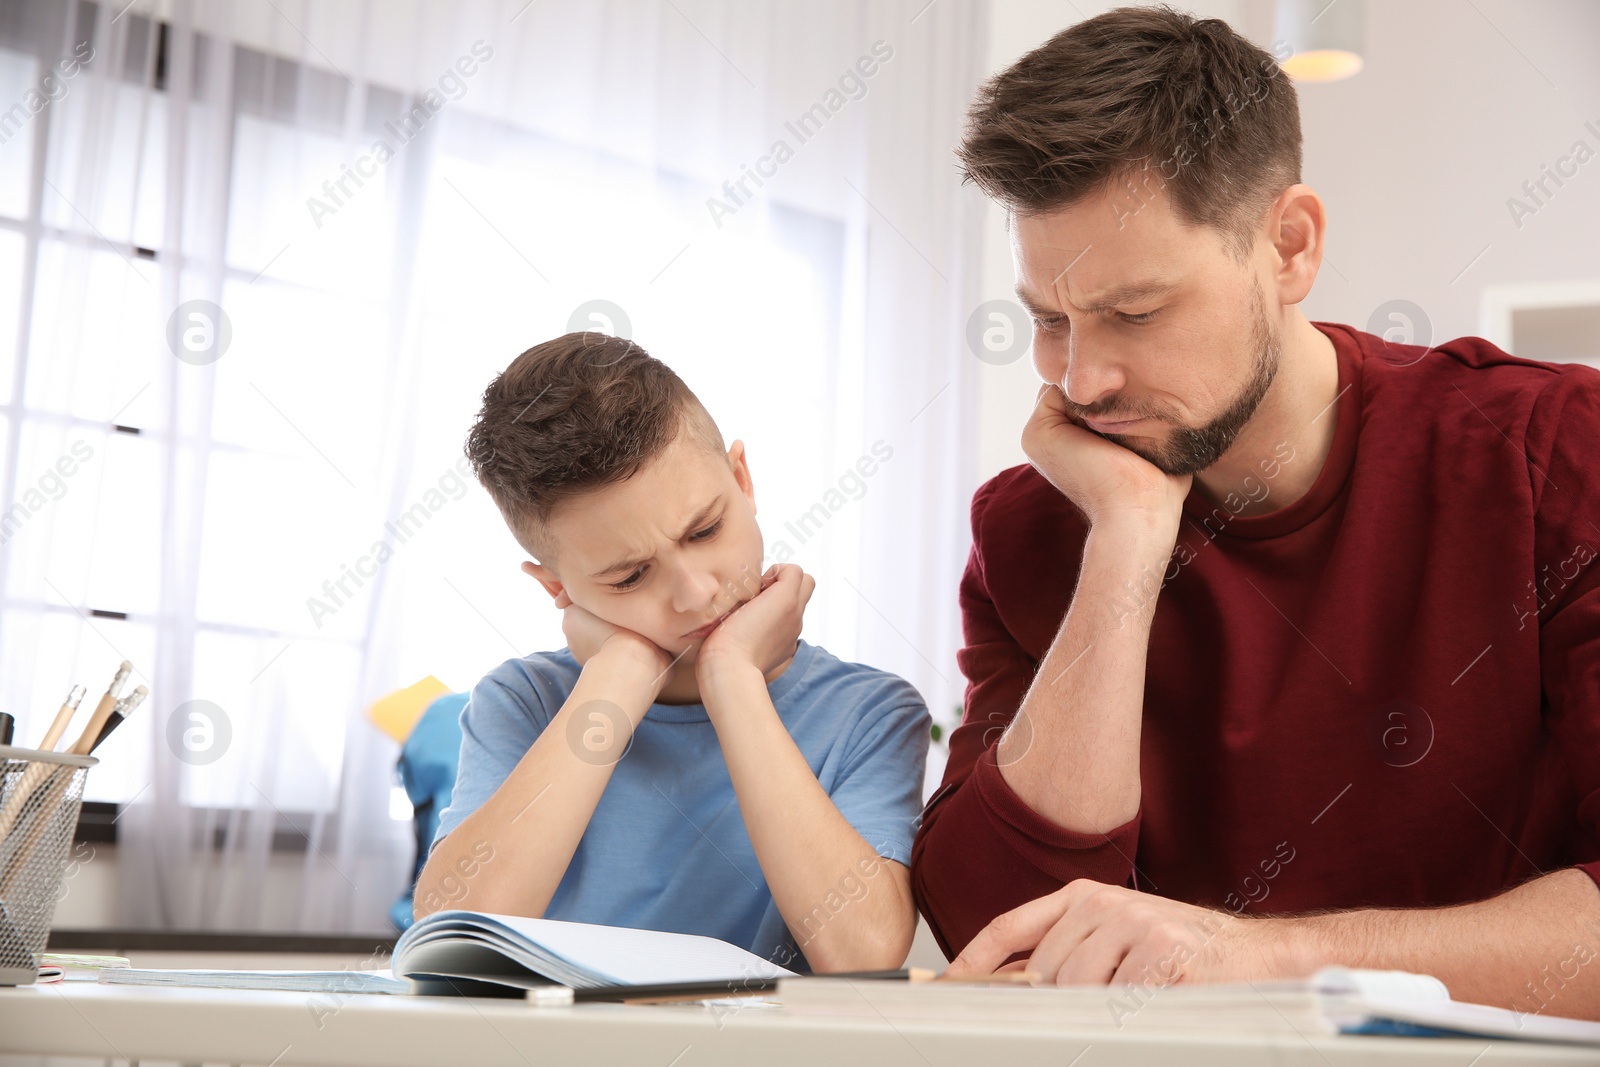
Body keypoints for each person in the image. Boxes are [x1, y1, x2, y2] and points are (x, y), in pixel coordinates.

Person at [911, 5, 1600, 1017]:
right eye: (1048, 319)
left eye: (1136, 312)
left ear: (1287, 246)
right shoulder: (1041, 523)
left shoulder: (1552, 449)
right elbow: (996, 928)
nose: (1082, 377)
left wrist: (1258, 954)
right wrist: (1128, 540)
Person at [416, 332, 929, 974]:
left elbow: (860, 953)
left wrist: (732, 680)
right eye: (630, 577)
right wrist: (619, 673)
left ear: (742, 480)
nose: (697, 594)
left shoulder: (869, 712)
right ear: (557, 587)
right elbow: (453, 944)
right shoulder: (523, 704)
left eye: (706, 530)